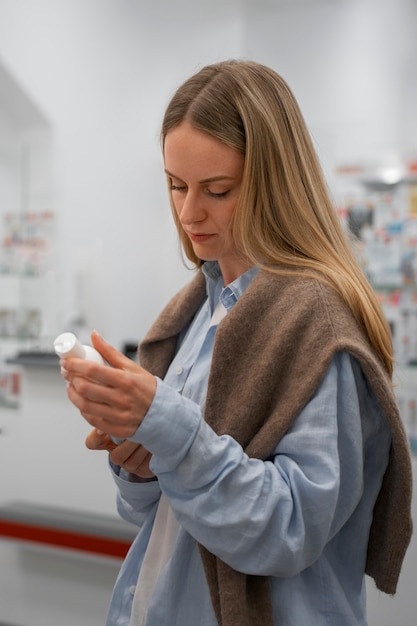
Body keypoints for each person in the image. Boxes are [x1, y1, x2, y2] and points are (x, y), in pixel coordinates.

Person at [60, 60, 413, 626]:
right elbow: (152, 513)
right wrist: (143, 460)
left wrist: (170, 430)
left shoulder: (316, 322)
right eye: (176, 185)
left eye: (216, 190)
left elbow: (289, 532)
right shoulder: (197, 311)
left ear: (275, 183)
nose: (187, 212)